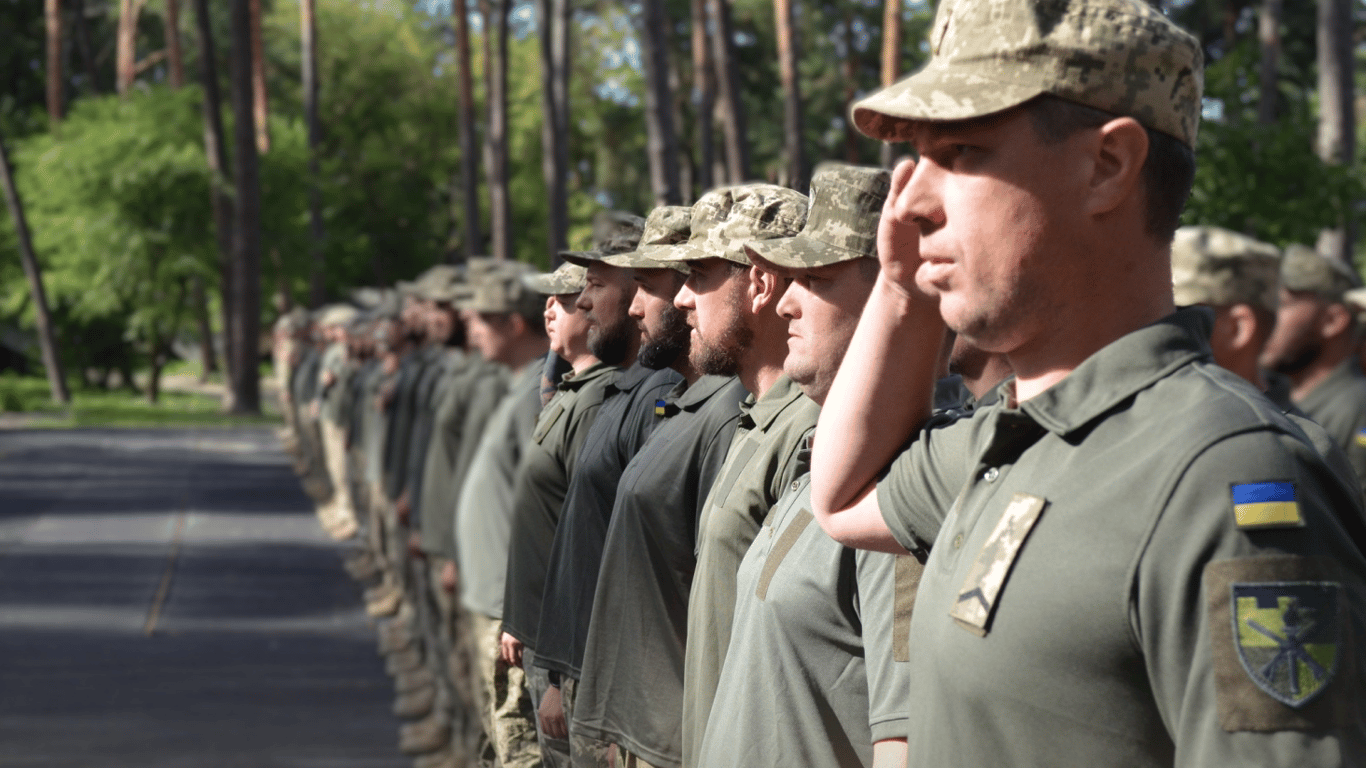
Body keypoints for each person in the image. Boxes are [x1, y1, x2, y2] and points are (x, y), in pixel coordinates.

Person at [807, 1, 1366, 766]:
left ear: (1107, 167)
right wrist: (903, 291)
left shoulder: (1227, 474)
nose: (910, 203)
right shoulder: (1013, 440)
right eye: (918, 159)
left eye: (963, 151)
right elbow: (840, 499)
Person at [697, 162, 919, 768]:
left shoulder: (902, 494)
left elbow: (903, 741)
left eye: (813, 278)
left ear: (890, 290)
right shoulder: (822, 462)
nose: (786, 302)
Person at [572, 189, 770, 768]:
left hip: (680, 735)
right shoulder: (693, 404)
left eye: (697, 277)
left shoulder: (729, 413)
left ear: (758, 284)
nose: (655, 304)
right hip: (648, 726)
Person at [661, 182, 815, 768]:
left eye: (699, 274)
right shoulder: (755, 419)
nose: (680, 299)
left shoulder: (809, 432)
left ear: (759, 283)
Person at [531, 206, 691, 768]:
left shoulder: (663, 399)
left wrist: (616, 699)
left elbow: (647, 563)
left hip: (619, 686)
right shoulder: (624, 392)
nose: (582, 301)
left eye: (599, 284)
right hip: (582, 670)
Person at [501, 236, 639, 768]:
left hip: (568, 646)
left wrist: (560, 670)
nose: (559, 310)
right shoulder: (570, 391)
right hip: (545, 633)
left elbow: (585, 540)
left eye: (583, 292)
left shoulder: (601, 398)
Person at [453, 262, 551, 768]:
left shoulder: (540, 390)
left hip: (505, 610)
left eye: (482, 319)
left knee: (517, 743)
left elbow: (543, 506)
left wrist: (520, 607)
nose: (469, 327)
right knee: (495, 735)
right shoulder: (520, 384)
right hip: (491, 600)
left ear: (514, 324)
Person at [1261, 244, 1366, 497]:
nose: (1265, 316)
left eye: (1280, 303)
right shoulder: (1276, 398)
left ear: (1332, 321)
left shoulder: (1358, 409)